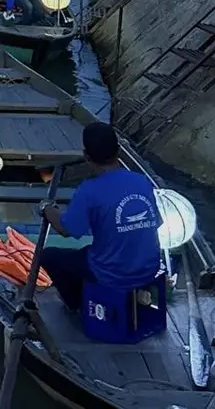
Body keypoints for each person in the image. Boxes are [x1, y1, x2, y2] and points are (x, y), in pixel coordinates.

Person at [40, 121, 162, 312]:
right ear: (119, 151)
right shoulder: (142, 181)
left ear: (86, 156)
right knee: (92, 250)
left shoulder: (89, 191)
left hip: (111, 274)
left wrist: (48, 209)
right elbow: (158, 222)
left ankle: (77, 305)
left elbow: (66, 230)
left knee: (48, 256)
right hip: (149, 270)